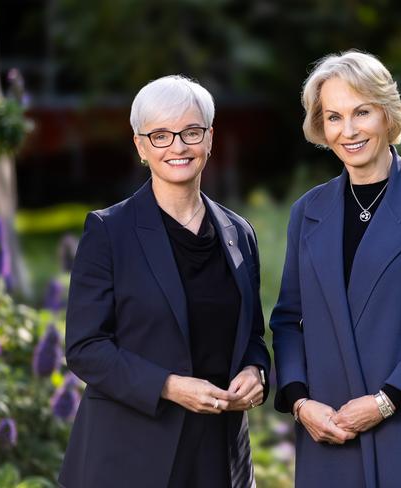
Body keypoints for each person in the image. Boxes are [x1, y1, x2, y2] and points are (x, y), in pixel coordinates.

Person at [270, 50, 401, 487]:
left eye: (361, 112)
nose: (348, 130)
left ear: (387, 114)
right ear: (320, 126)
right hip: (329, 431)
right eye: (334, 116)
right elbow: (288, 319)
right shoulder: (307, 212)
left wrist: (384, 402)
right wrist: (301, 402)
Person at [59, 75, 270, 488]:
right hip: (129, 455)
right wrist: (170, 386)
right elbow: (85, 348)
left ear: (209, 138)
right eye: (160, 135)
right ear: (140, 145)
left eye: (190, 132)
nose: (177, 146)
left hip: (218, 454)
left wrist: (256, 369)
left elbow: (251, 336)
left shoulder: (239, 232)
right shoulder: (109, 231)